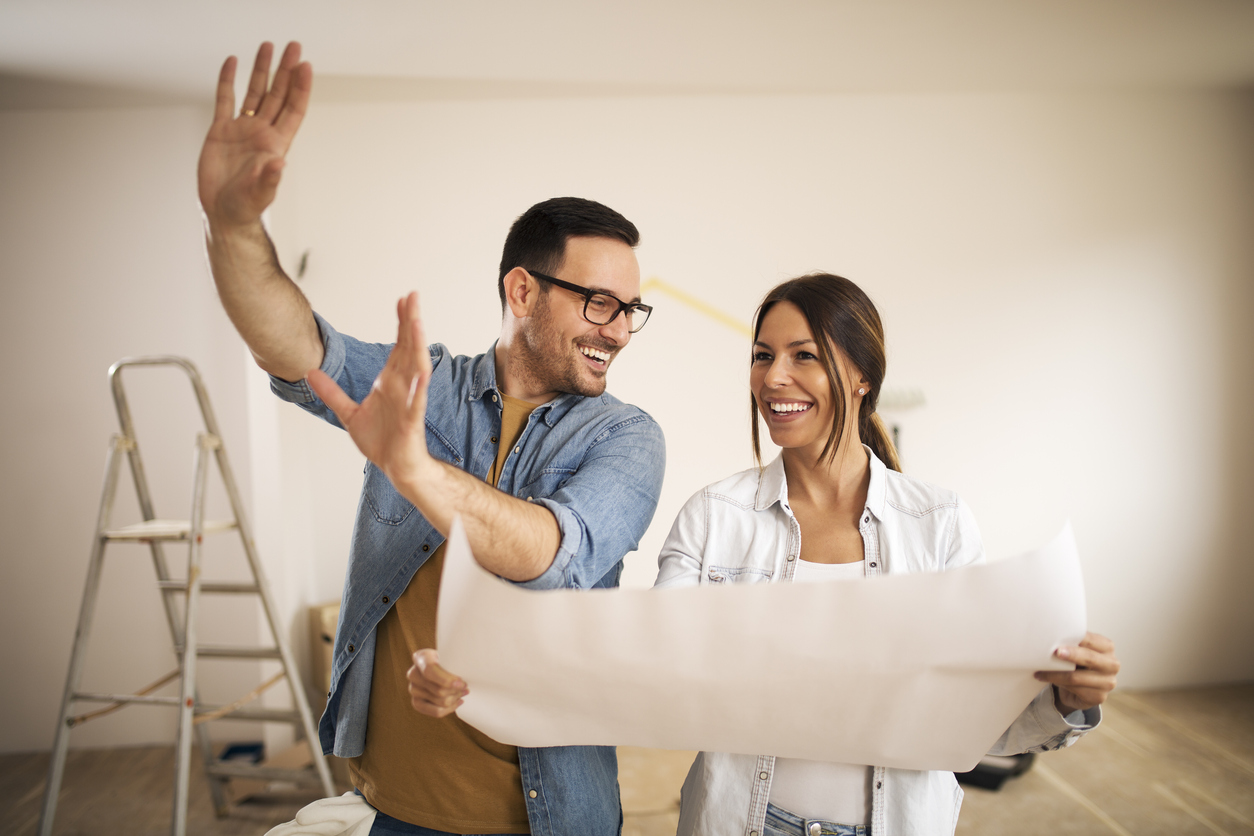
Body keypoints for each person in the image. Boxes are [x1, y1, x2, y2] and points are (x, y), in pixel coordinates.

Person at [197, 42, 665, 836]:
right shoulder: (428, 387)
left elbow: (551, 554)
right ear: (522, 289)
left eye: (629, 309)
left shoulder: (626, 437)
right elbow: (293, 347)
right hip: (390, 808)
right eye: (597, 303)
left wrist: (412, 468)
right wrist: (233, 227)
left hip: (547, 818)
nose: (619, 330)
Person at [654, 273, 1119, 836]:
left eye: (804, 355)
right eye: (762, 355)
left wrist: (1065, 701)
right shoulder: (712, 516)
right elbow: (663, 687)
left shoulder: (938, 525)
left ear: (861, 377)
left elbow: (974, 726)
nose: (773, 377)